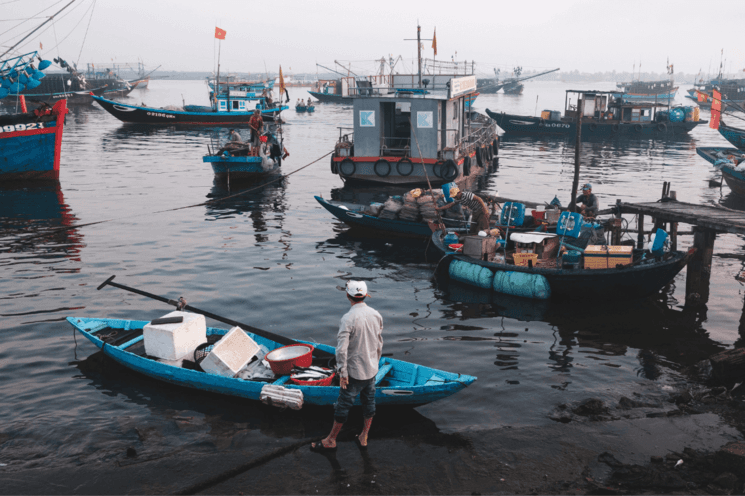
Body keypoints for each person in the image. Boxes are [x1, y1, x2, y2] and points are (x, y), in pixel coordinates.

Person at [311, 280, 383, 452]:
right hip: (371, 369)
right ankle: (364, 435)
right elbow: (379, 344)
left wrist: (343, 373)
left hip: (354, 373)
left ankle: (331, 440)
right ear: (365, 295)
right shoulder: (376, 315)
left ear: (347, 295)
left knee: (343, 405)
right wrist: (375, 363)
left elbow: (341, 350)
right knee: (369, 403)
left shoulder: (348, 318)